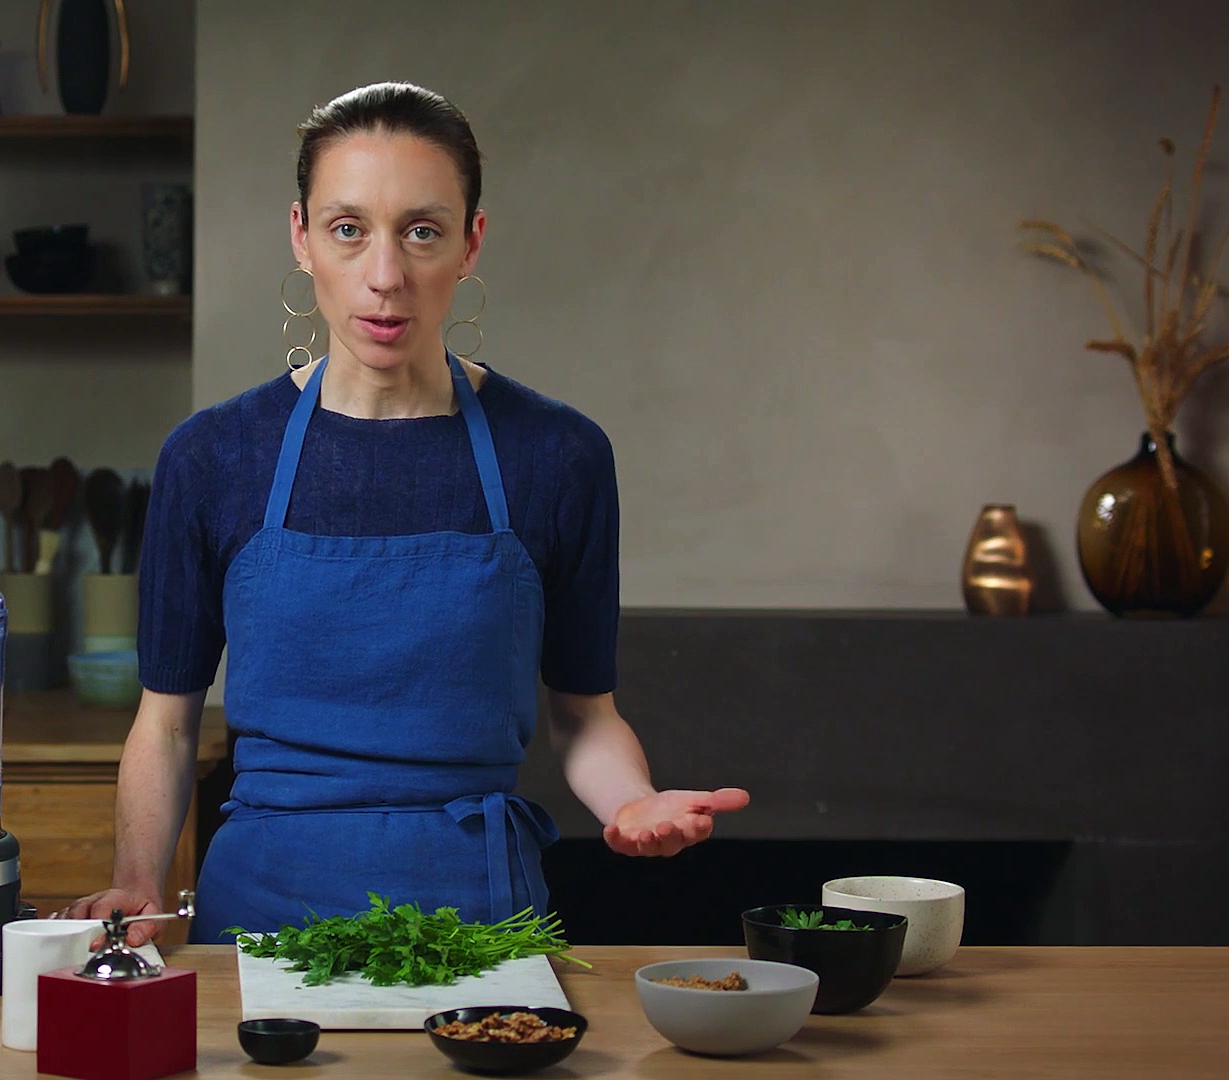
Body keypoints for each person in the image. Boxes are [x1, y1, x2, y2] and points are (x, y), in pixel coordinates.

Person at [61, 82, 748, 946]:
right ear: (302, 237)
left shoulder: (559, 457)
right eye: (349, 229)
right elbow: (165, 723)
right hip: (258, 926)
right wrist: (136, 883)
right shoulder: (211, 459)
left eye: (421, 230)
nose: (385, 276)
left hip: (482, 923)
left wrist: (636, 802)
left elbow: (585, 716)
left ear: (471, 243)